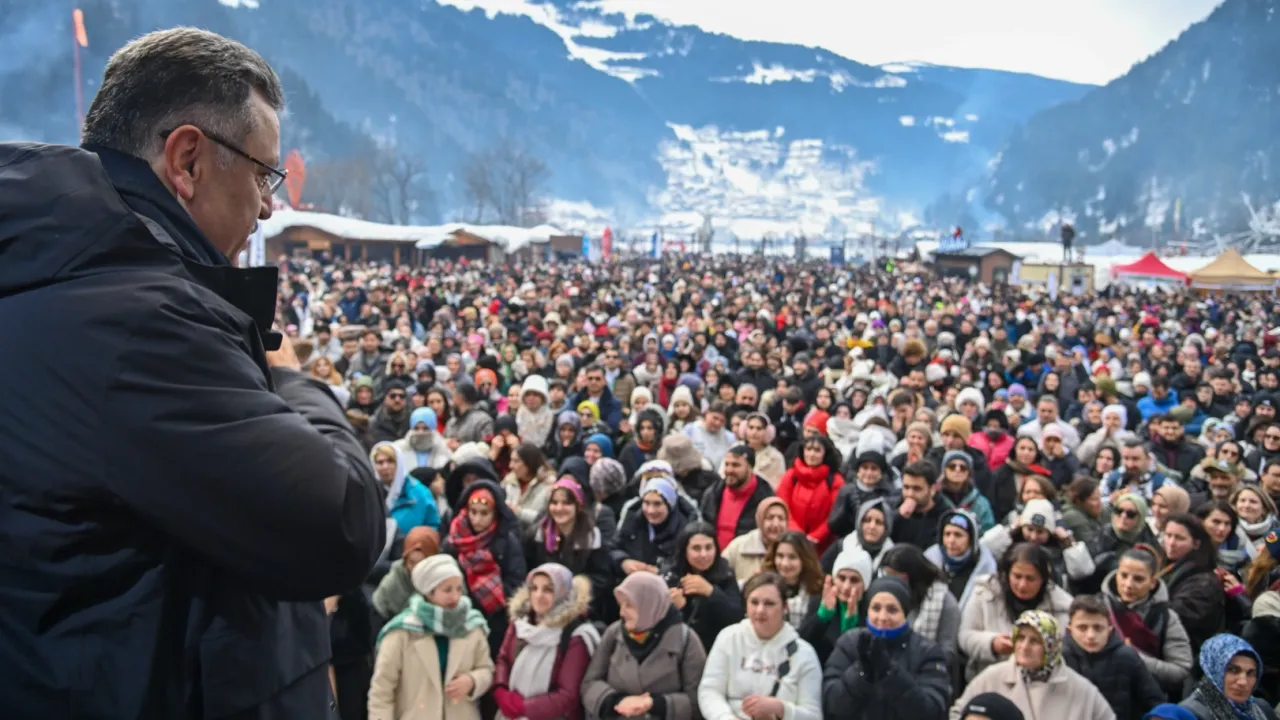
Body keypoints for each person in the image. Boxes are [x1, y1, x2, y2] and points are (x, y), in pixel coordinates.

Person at [0, 28, 386, 717]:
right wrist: (288, 378)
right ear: (188, 160)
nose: (268, 206)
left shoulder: (47, 275)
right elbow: (340, 523)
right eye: (263, 174)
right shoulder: (139, 323)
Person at [369, 555, 495, 720]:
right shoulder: (401, 632)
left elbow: (486, 669)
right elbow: (382, 691)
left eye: (459, 589)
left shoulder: (471, 626)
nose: (455, 597)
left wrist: (472, 681)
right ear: (429, 592)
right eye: (447, 590)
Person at [822, 575, 953, 720]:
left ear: (905, 613)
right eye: (876, 608)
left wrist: (889, 672)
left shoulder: (927, 652)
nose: (882, 617)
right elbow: (832, 704)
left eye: (892, 610)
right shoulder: (849, 643)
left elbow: (931, 711)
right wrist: (861, 672)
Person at [581, 572, 707, 720]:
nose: (622, 612)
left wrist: (654, 704)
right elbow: (590, 683)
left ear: (650, 605)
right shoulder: (614, 632)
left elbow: (698, 700)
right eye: (621, 604)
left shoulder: (685, 639)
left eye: (629, 605)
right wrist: (617, 702)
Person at [699, 572, 824, 720]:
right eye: (754, 602)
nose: (760, 610)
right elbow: (710, 691)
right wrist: (726, 717)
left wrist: (781, 709)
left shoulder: (804, 654)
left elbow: (814, 715)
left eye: (769, 603)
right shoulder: (728, 638)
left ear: (785, 607)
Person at [952, 610, 1114, 720]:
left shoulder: (1082, 691)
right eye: (1020, 638)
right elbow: (957, 714)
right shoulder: (991, 678)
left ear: (1051, 647)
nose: (1024, 646)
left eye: (1035, 641)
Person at [492, 564, 601, 720]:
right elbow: (503, 659)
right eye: (534, 588)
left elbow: (567, 695)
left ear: (562, 593)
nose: (538, 595)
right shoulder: (520, 623)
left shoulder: (575, 635)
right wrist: (501, 691)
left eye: (548, 590)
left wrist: (522, 707)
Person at [958, 543, 1073, 681]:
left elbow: (1064, 648)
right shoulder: (985, 593)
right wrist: (992, 644)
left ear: (1043, 579)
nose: (1022, 585)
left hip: (1041, 682)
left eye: (1030, 578)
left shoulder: (1061, 606)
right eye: (1017, 576)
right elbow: (965, 635)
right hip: (989, 678)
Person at [1099, 546, 1193, 694]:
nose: (1128, 585)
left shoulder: (1165, 617)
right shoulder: (1097, 608)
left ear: (1153, 582)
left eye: (1138, 579)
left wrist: (1135, 657)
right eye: (1123, 575)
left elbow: (1180, 669)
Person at [1062, 595, 1167, 720]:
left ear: (1109, 630)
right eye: (1082, 628)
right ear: (1070, 630)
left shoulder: (1127, 656)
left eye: (1098, 628)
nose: (1091, 635)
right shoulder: (1060, 660)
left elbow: (1156, 704)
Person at [662, 522, 745, 652]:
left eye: (709, 547)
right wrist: (681, 608)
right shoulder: (671, 576)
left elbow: (735, 617)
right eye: (696, 548)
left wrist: (711, 592)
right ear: (685, 551)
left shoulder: (725, 574)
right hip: (679, 649)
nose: (704, 554)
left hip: (716, 647)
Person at [801, 546, 873, 665]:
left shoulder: (871, 609)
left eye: (854, 580)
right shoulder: (819, 601)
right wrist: (821, 617)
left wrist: (852, 630)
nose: (846, 587)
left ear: (865, 584)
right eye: (842, 578)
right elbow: (801, 644)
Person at [1180, 634, 1277, 720]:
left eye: (1250, 673)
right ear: (1214, 671)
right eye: (1233, 670)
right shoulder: (1188, 714)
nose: (1243, 682)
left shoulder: (1262, 708)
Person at [700, 445, 776, 552]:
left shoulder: (765, 498)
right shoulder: (712, 493)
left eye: (736, 465)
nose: (729, 470)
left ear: (750, 468)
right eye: (727, 464)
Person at [373, 526, 442, 624]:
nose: (416, 569)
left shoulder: (444, 578)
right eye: (411, 563)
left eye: (422, 563)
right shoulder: (395, 580)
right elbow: (378, 616)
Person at [763, 530, 827, 628]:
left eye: (792, 557)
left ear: (804, 559)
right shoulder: (763, 586)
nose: (785, 563)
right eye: (780, 556)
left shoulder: (818, 591)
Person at [724, 496, 791, 583]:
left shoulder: (794, 548)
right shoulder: (738, 547)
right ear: (760, 520)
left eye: (781, 518)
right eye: (770, 518)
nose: (776, 524)